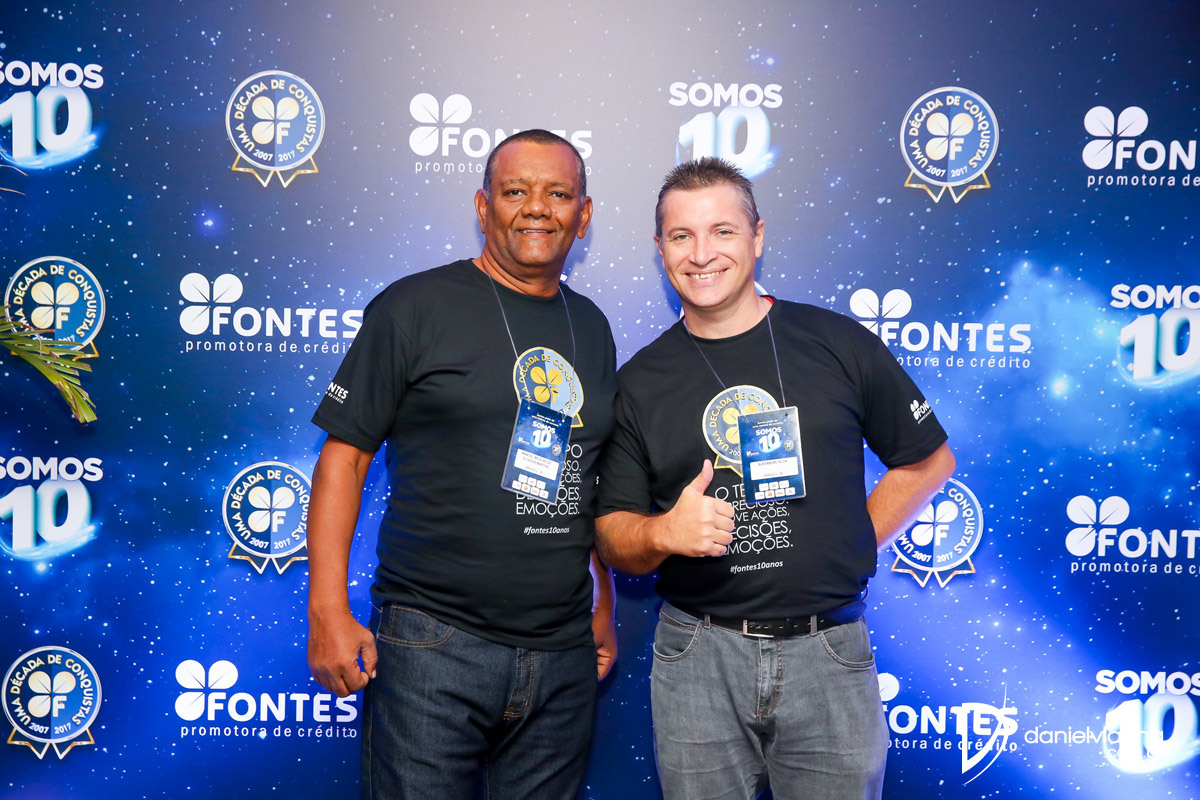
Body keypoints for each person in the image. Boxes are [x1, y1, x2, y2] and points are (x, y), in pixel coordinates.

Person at [595, 157, 955, 800]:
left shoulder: (837, 343)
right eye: (681, 236)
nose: (701, 254)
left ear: (757, 237)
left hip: (829, 653)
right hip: (698, 658)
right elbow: (613, 535)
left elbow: (929, 460)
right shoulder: (639, 382)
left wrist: (851, 540)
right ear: (660, 248)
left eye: (722, 231)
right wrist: (663, 532)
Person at [306, 129, 618, 800]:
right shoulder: (414, 307)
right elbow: (344, 459)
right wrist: (326, 610)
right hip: (433, 645)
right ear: (483, 206)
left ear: (583, 214)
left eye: (558, 194)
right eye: (515, 191)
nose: (537, 208)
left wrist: (603, 603)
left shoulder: (590, 326)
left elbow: (585, 474)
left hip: (563, 656)